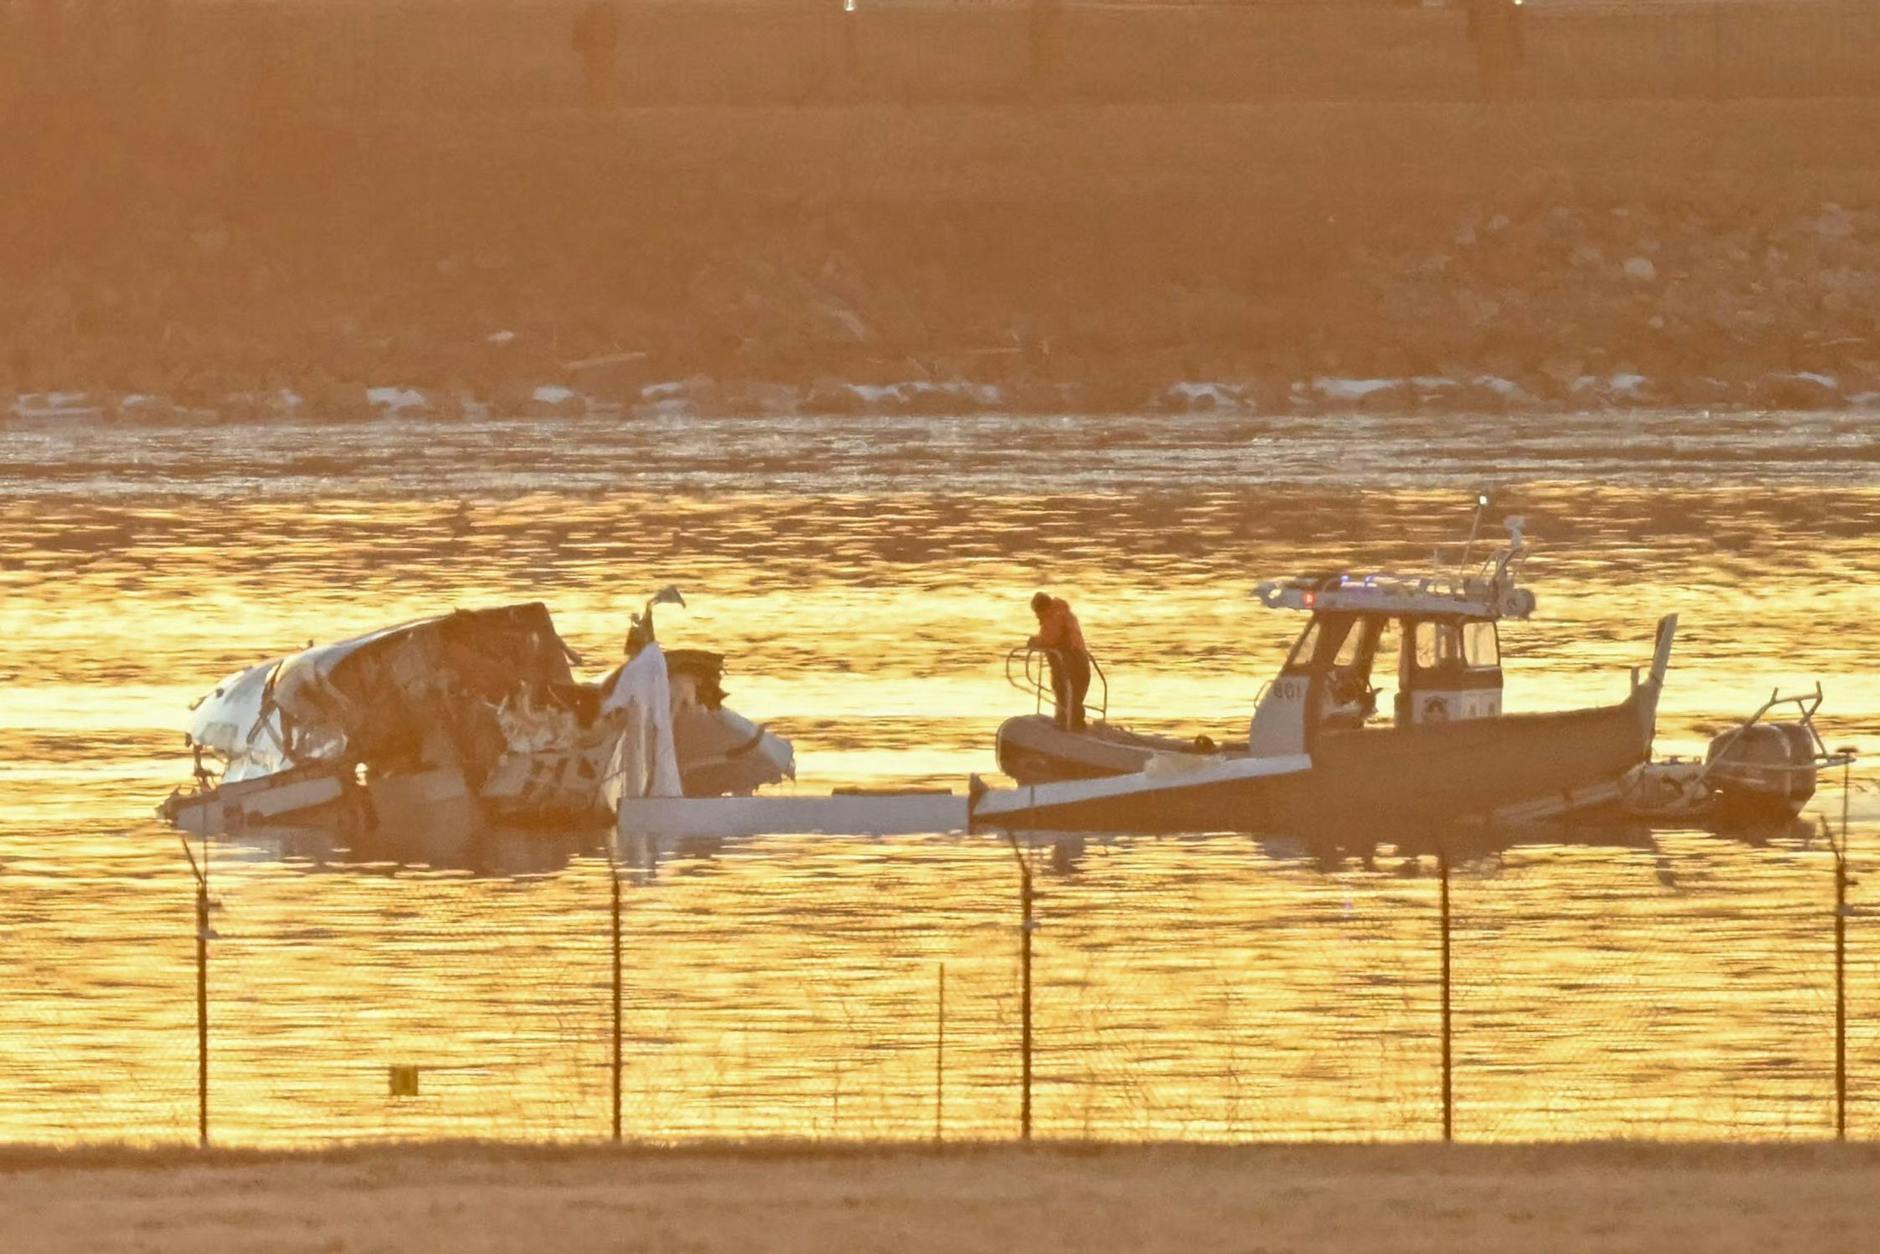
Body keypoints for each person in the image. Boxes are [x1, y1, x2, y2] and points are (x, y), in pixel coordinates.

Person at [1029, 590, 1090, 732]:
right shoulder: (1062, 612)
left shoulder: (1054, 617)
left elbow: (1048, 639)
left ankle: (1072, 725)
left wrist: (1033, 642)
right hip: (1079, 658)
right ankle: (1067, 720)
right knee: (1071, 692)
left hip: (1068, 660)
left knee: (1065, 690)